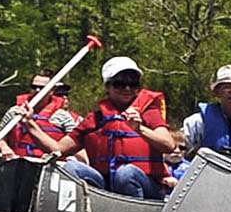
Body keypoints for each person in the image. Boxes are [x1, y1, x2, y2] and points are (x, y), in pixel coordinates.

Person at [48, 55, 179, 199]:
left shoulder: (149, 113)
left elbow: (169, 145)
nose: (127, 88)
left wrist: (139, 129)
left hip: (146, 186)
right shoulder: (95, 119)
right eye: (120, 83)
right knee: (71, 168)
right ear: (107, 87)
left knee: (125, 173)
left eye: (133, 83)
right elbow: (58, 150)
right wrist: (30, 124)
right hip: (105, 186)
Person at [0, 74, 74, 161]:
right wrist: (4, 147)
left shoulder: (63, 116)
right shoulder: (15, 112)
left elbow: (74, 145)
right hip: (18, 162)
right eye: (34, 87)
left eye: (42, 88)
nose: (37, 90)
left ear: (52, 90)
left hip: (48, 166)